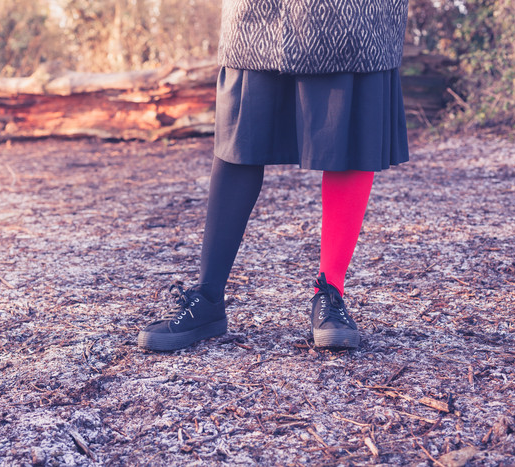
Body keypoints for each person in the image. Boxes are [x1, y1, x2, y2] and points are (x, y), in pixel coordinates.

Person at [138, 0, 410, 351]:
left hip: (354, 16)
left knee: (351, 134)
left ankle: (330, 295)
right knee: (239, 139)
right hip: (258, 18)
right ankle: (207, 299)